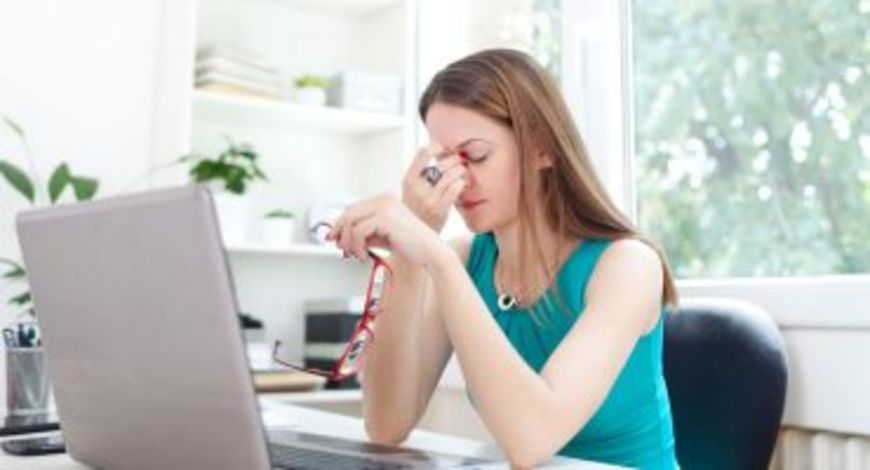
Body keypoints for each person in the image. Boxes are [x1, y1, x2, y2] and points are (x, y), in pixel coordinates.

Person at [325, 48, 679, 469]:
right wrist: (409, 251)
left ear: (542, 149)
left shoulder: (629, 266)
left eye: (475, 156)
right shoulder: (465, 259)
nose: (457, 181)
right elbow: (386, 426)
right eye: (443, 163)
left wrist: (435, 258)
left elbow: (532, 441)